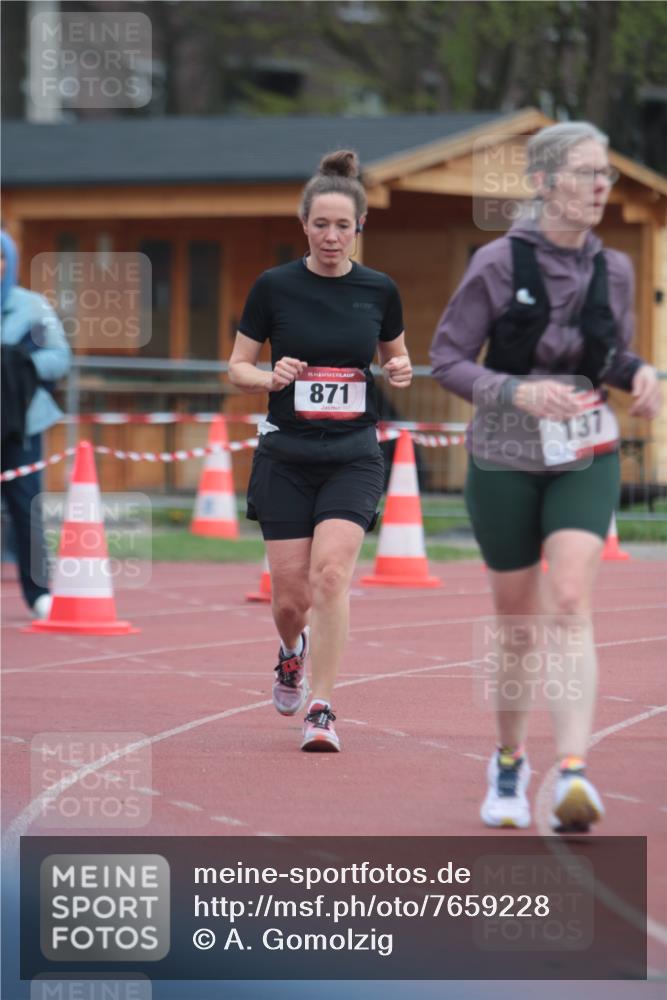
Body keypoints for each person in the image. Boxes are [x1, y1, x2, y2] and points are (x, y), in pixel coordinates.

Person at [430, 122, 661, 832]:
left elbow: (607, 356)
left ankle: (572, 772)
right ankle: (508, 759)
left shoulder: (614, 269)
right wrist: (515, 391)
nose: (600, 186)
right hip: (503, 457)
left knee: (568, 601)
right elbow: (447, 359)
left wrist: (641, 373)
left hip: (584, 455)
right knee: (516, 625)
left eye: (605, 174)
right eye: (585, 172)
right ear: (541, 182)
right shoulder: (497, 263)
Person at [228, 149, 412, 752]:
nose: (332, 236)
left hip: (353, 454)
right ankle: (291, 651)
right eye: (321, 224)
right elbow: (237, 367)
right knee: (291, 600)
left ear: (360, 227)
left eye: (343, 226)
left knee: (331, 575)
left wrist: (401, 368)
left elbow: (395, 356)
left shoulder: (379, 289)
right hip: (286, 455)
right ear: (304, 225)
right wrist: (269, 377)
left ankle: (323, 706)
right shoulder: (274, 286)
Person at [1, 230, 72, 618]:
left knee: (26, 507)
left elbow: (59, 359)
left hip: (22, 427)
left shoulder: (33, 308)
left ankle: (39, 593)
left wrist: (17, 364)